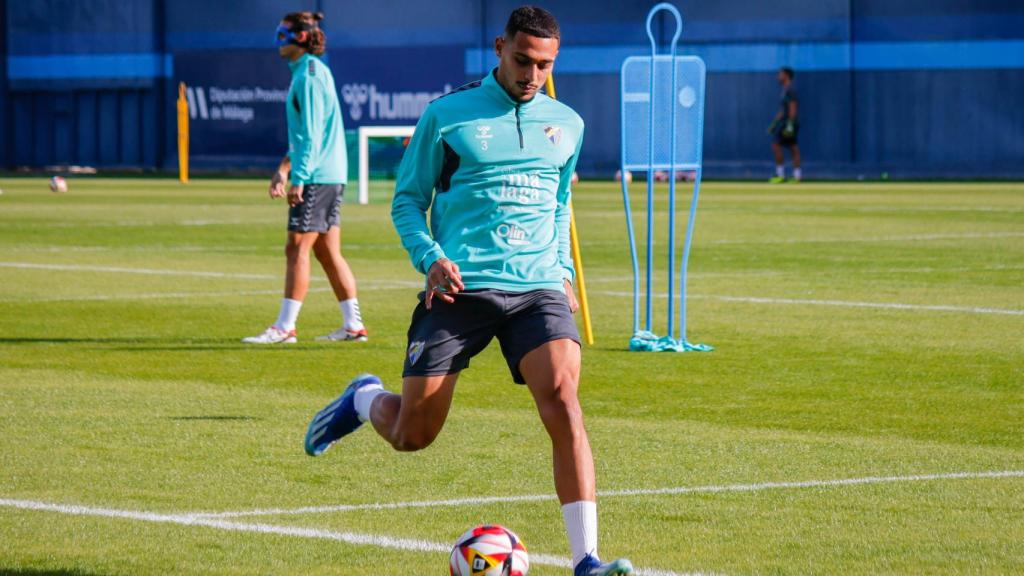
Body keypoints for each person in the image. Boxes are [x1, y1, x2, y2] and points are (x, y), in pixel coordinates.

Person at [303, 6, 634, 576]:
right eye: (523, 60)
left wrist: (562, 271)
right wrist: (430, 257)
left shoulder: (569, 124)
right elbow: (408, 200)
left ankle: (586, 560)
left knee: (563, 401)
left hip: (537, 290)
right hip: (460, 290)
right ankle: (362, 399)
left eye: (545, 65)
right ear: (499, 47)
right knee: (413, 435)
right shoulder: (447, 116)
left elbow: (558, 205)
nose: (533, 75)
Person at [243, 11, 367, 344]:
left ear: (300, 38)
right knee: (327, 251)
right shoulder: (307, 72)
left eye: (283, 36)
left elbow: (311, 136)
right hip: (325, 173)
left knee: (296, 246)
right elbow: (303, 137)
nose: (277, 42)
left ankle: (285, 328)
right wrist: (285, 169)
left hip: (318, 176)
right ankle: (353, 326)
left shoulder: (309, 75)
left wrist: (299, 178)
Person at [768, 66, 801, 183]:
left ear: (786, 75)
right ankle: (797, 176)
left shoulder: (790, 90)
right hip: (785, 122)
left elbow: (793, 107)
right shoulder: (785, 90)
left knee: (777, 145)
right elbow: (783, 111)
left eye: (780, 74)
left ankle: (781, 174)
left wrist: (790, 124)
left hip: (788, 123)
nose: (779, 76)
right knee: (793, 147)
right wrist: (774, 124)